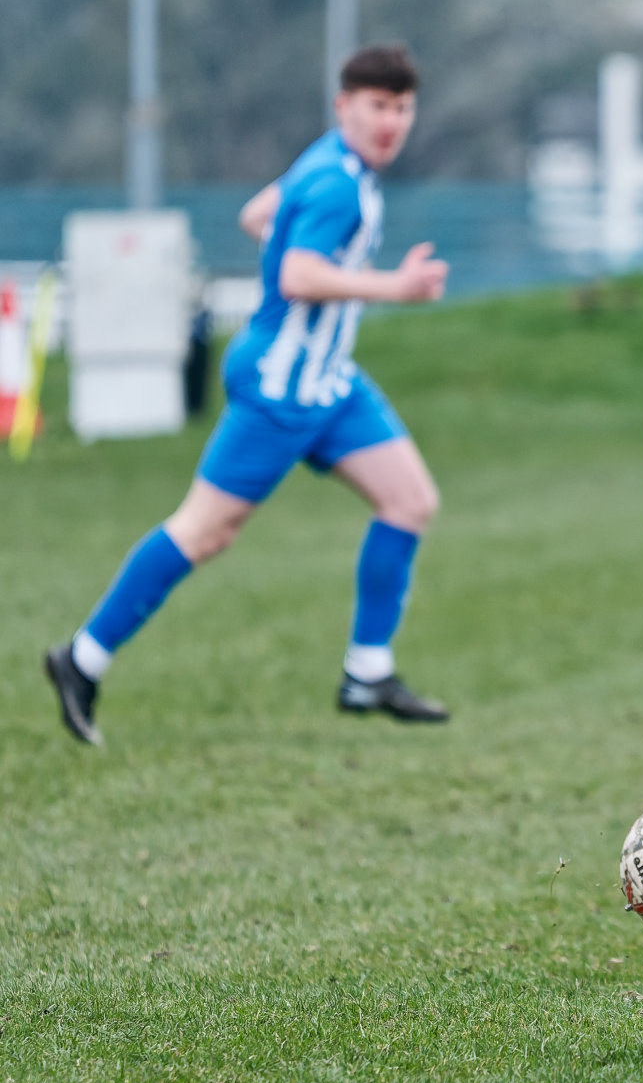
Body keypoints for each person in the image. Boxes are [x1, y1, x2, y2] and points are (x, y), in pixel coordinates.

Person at [45, 43, 451, 746]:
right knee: (204, 531)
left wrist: (301, 251)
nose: (391, 122)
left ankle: (367, 673)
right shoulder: (338, 184)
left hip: (328, 380)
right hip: (281, 387)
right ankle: (81, 659)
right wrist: (396, 287)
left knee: (410, 500)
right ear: (344, 106)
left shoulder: (329, 161)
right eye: (378, 106)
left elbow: (257, 214)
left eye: (403, 108)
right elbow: (297, 276)